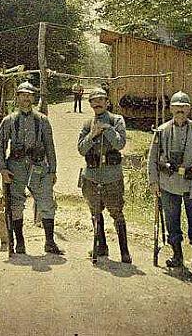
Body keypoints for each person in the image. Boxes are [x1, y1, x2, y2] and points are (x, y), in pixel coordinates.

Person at [147, 91, 192, 272]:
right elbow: (152, 158)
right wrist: (153, 182)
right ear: (171, 109)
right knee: (172, 221)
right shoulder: (161, 131)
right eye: (177, 107)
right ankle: (177, 256)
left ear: (189, 109)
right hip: (168, 184)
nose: (180, 110)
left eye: (184, 107)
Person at [0, 81, 63, 255]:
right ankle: (20, 241)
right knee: (16, 204)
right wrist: (2, 168)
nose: (26, 98)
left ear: (33, 98)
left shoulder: (42, 120)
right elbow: (0, 145)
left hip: (38, 167)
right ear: (17, 97)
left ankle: (49, 241)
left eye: (29, 95)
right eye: (22, 95)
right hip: (15, 167)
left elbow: (50, 146)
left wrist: (53, 169)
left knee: (46, 203)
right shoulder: (8, 121)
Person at [77, 87, 131, 264]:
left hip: (112, 177)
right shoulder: (87, 124)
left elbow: (120, 143)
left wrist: (106, 129)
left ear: (107, 102)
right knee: (95, 212)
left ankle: (124, 250)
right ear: (91, 104)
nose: (98, 103)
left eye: (101, 99)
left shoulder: (117, 120)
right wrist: (93, 134)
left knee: (117, 212)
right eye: (94, 100)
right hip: (91, 177)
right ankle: (101, 246)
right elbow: (81, 149)